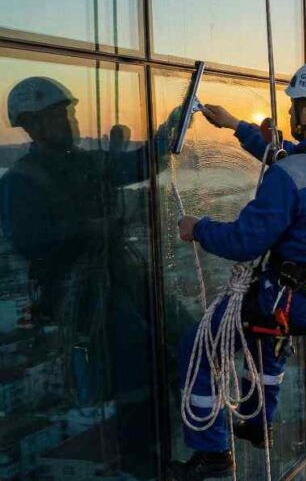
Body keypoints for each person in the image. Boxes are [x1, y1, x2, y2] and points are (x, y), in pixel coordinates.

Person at [171, 60, 306, 480]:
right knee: (264, 336)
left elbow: (245, 240)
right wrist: (235, 125)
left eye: (295, 106)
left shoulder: (290, 174)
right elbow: (294, 158)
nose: (289, 114)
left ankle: (211, 456)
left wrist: (198, 228)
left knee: (199, 345)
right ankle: (257, 419)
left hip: (289, 302)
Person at [0, 76, 177, 478]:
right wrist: (89, 227)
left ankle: (166, 437)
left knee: (176, 335)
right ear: (33, 124)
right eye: (61, 115)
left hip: (117, 276)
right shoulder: (20, 183)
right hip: (77, 291)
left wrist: (173, 126)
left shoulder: (85, 162)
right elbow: (30, 240)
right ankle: (140, 456)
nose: (71, 121)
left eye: (69, 113)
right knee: (136, 353)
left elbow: (139, 163)